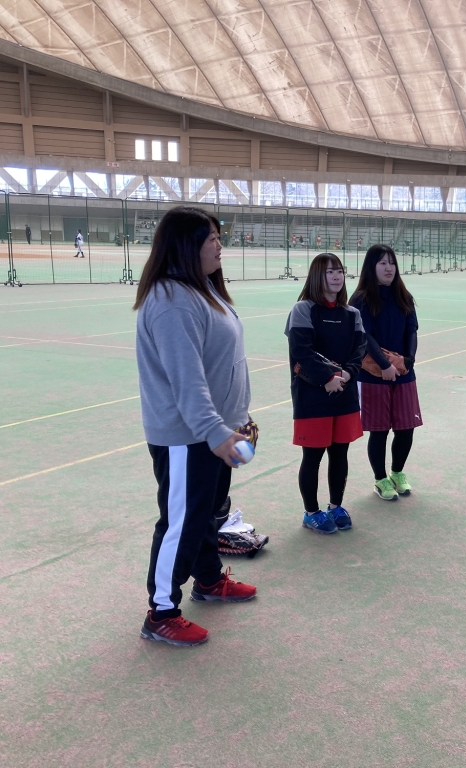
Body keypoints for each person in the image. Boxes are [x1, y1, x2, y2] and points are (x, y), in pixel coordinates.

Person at [133, 207, 257, 648]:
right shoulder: (171, 301)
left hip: (215, 431)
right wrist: (217, 432)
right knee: (181, 523)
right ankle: (161, 612)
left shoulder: (203, 290)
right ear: (186, 246)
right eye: (211, 239)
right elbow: (187, 381)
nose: (219, 245)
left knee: (207, 515)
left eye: (219, 237)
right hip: (187, 436)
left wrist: (237, 419)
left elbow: (224, 365)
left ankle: (207, 579)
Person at [286, 254, 366, 534]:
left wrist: (347, 374)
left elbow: (359, 350)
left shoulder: (352, 313)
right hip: (313, 398)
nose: (336, 276)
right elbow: (302, 352)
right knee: (313, 456)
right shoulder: (303, 309)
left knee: (340, 453)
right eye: (329, 271)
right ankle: (311, 512)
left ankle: (335, 506)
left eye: (339, 271)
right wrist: (327, 379)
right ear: (316, 276)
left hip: (344, 395)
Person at [350, 244, 422, 501]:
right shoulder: (361, 299)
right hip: (374, 375)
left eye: (391, 262)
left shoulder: (404, 296)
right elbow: (365, 336)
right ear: (372, 267)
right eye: (382, 263)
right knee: (379, 430)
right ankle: (380, 479)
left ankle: (397, 472)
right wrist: (384, 365)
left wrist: (408, 360)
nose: (388, 267)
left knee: (406, 427)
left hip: (403, 372)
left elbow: (411, 330)